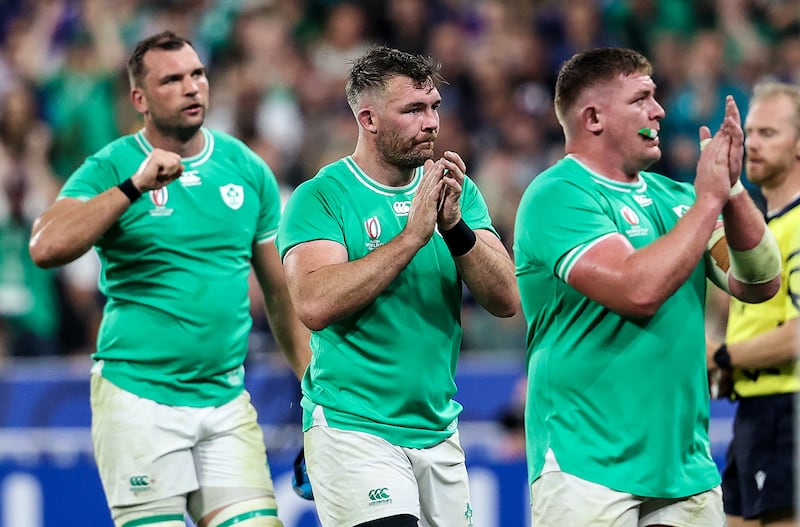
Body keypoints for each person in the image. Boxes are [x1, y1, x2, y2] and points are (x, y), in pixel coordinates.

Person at [28, 31, 311, 527]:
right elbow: (46, 246)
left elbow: (282, 298)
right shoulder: (112, 165)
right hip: (139, 401)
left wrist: (316, 395)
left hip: (224, 404)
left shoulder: (246, 169)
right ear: (139, 98)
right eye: (173, 79)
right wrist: (134, 186)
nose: (192, 87)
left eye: (197, 74)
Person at [513, 47, 782, 526]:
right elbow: (637, 290)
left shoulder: (677, 198)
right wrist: (709, 200)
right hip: (587, 467)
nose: (658, 111)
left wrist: (733, 190)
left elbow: (760, 281)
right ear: (593, 117)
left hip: (685, 471)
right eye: (641, 99)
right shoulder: (557, 196)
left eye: (655, 97)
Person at [276, 46, 519, 527]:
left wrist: (455, 230)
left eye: (434, 108)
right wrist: (411, 238)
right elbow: (315, 301)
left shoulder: (455, 191)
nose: (430, 123)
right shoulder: (321, 197)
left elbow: (506, 300)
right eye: (412, 110)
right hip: (354, 427)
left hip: (437, 428)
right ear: (367, 118)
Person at [707, 81, 800, 527]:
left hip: (788, 410)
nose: (753, 144)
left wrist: (723, 354)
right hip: (755, 408)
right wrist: (733, 366)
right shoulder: (762, 231)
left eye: (769, 133)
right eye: (751, 132)